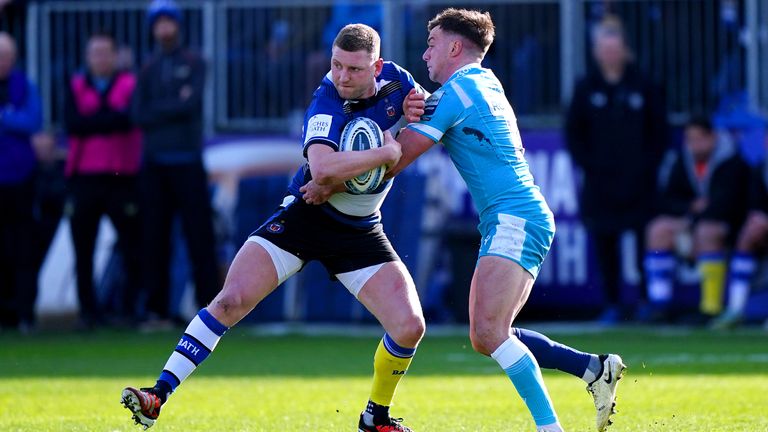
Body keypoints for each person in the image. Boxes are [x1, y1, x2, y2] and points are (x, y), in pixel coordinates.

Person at [330, 9, 624, 432]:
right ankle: (593, 370)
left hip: (514, 216)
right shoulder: (482, 82)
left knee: (488, 332)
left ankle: (550, 428)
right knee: (488, 334)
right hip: (512, 216)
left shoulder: (456, 93)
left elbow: (394, 161)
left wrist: (332, 174)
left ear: (454, 47)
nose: (425, 53)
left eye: (432, 44)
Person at [122, 24, 427, 432]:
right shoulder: (326, 100)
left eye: (353, 69)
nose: (341, 76)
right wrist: (384, 153)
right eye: (336, 65)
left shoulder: (399, 82)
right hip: (305, 217)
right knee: (230, 300)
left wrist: (417, 109)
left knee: (410, 326)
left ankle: (376, 417)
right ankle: (157, 394)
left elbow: (424, 112)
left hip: (359, 230)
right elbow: (320, 168)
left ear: (378, 66)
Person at [565, 15, 669, 323]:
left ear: (625, 50)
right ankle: (611, 303)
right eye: (604, 48)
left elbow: (659, 134)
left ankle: (648, 302)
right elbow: (574, 134)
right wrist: (591, 166)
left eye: (615, 47)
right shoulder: (586, 88)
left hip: (640, 182)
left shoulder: (645, 86)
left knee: (645, 242)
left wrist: (646, 166)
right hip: (600, 182)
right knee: (604, 242)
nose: (610, 54)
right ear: (597, 52)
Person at [133, 0, 218, 325]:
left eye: (168, 22)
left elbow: (190, 104)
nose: (164, 29)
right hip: (155, 164)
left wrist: (159, 109)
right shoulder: (147, 67)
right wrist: (173, 104)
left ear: (178, 26)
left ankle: (211, 310)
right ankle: (156, 310)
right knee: (154, 237)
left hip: (187, 161)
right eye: (159, 23)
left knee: (200, 237)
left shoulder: (195, 62)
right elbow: (138, 115)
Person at [63, 31, 142, 328]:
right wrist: (109, 118)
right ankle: (88, 312)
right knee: (83, 248)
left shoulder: (130, 83)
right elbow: (73, 125)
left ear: (115, 55)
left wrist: (93, 121)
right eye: (95, 52)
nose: (100, 58)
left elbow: (129, 119)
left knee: (133, 246)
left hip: (122, 176)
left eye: (105, 52)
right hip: (83, 177)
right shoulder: (75, 85)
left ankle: (130, 309)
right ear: (87, 56)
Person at [644, 116, 750, 323]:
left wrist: (694, 219)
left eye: (700, 139)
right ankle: (660, 306)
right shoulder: (681, 160)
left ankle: (710, 308)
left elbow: (728, 204)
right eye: (690, 139)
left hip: (726, 227)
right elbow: (665, 199)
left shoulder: (732, 160)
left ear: (713, 137)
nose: (694, 145)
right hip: (690, 222)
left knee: (708, 231)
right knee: (658, 230)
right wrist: (689, 212)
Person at [0, 31, 43, 332]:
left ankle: (24, 314)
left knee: (23, 250)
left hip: (20, 179)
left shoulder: (25, 86)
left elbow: (32, 122)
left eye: (5, 56)